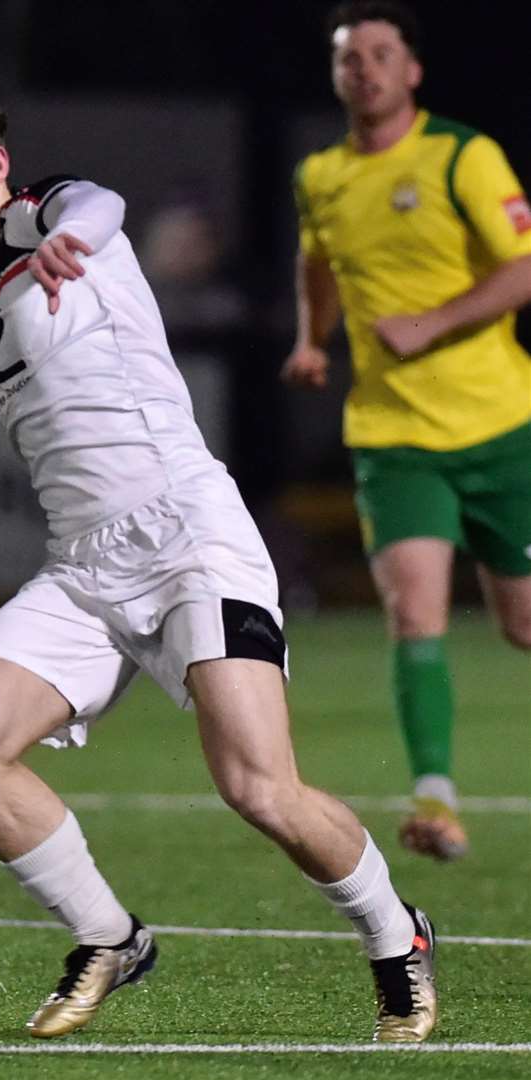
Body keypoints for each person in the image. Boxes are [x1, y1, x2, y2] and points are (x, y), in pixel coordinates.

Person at [0, 72, 438, 1043]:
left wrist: (70, 233)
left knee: (258, 788)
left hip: (191, 538)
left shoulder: (49, 222)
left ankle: (396, 936)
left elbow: (97, 207)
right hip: (84, 570)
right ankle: (109, 937)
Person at [282, 1, 531, 861]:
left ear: (411, 70)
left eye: (381, 55)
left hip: (500, 424)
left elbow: (523, 268)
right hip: (391, 436)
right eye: (349, 58)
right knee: (413, 613)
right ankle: (434, 799)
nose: (364, 71)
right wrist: (312, 339)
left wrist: (432, 322)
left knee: (520, 624)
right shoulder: (320, 174)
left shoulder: (463, 154)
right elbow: (317, 260)